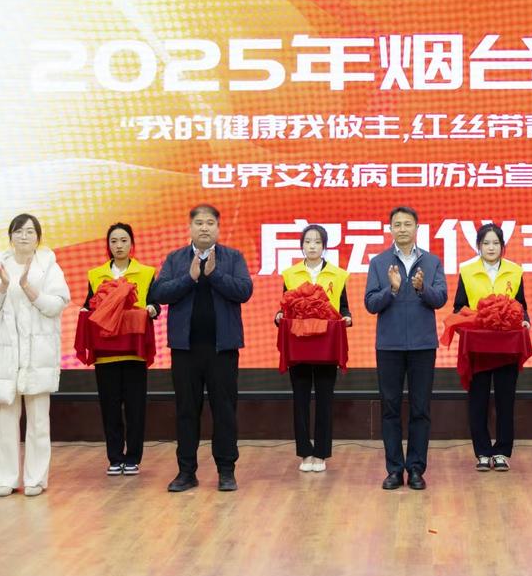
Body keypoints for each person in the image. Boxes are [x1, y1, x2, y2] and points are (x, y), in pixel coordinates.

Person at [149, 204, 252, 493]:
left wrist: (214, 274)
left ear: (218, 228)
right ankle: (186, 472)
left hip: (222, 349)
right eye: (199, 223)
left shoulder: (233, 257)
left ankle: (226, 471)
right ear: (190, 228)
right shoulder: (176, 258)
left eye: (210, 223)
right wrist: (190, 277)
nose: (204, 227)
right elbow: (159, 292)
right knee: (186, 410)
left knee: (225, 411)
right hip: (185, 350)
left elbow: (244, 291)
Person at [0, 214, 71, 498]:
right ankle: (6, 478)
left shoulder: (48, 265)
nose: (24, 236)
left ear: (38, 237)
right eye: (19, 231)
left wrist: (29, 288)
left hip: (38, 355)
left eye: (30, 231)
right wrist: (3, 286)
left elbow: (56, 305)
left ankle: (35, 479)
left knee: (39, 421)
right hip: (4, 354)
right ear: (10, 236)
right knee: (6, 420)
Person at [364, 206, 447, 491]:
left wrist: (423, 288)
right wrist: (392, 290)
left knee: (420, 409)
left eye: (407, 224)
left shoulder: (432, 262)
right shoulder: (379, 263)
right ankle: (394, 470)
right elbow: (370, 303)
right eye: (397, 224)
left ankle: (415, 469)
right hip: (389, 345)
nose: (402, 229)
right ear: (390, 229)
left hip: (423, 345)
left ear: (417, 228)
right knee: (390, 408)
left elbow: (441, 299)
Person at [82, 223, 160, 477]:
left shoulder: (146, 273)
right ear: (108, 245)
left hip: (134, 349)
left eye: (124, 240)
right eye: (114, 241)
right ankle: (115, 457)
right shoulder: (96, 275)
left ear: (132, 244)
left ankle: (133, 457)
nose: (119, 245)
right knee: (110, 406)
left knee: (136, 406)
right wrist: (83, 311)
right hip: (106, 352)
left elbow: (155, 303)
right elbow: (88, 305)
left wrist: (152, 309)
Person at [274, 224, 352, 473]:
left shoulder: (338, 275)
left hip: (326, 345)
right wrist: (278, 316)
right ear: (301, 245)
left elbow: (344, 307)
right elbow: (284, 307)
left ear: (324, 246)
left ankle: (321, 453)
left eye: (317, 242)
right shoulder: (290, 274)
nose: (312, 246)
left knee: (325, 399)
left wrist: (347, 318)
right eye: (308, 241)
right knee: (300, 399)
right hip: (299, 344)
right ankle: (305, 452)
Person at [452, 223, 529, 472]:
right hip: (479, 346)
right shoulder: (467, 271)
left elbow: (521, 305)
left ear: (503, 246)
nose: (491, 247)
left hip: (507, 346)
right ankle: (483, 452)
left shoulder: (515, 271)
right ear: (478, 246)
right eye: (486, 243)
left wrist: (524, 319)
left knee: (506, 400)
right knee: (478, 400)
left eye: (496, 243)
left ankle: (502, 452)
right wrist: (473, 319)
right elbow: (459, 307)